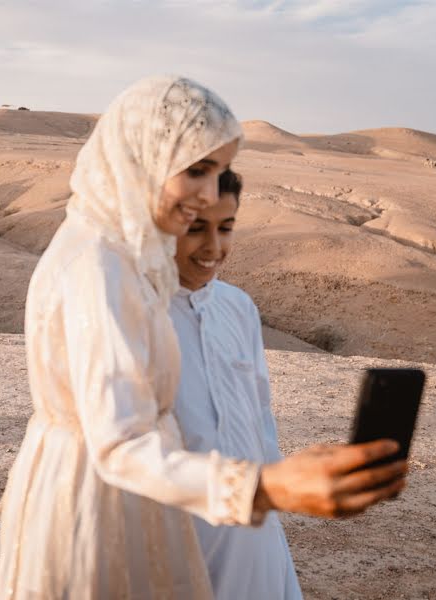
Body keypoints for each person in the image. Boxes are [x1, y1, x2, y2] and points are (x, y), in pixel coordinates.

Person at [0, 76, 407, 599]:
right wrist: (268, 487)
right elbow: (120, 444)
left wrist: (277, 479)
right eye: (196, 171)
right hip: (102, 505)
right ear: (142, 159)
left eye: (217, 177)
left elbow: (251, 415)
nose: (208, 196)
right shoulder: (99, 264)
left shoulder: (130, 259)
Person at [171, 169, 300, 598]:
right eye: (196, 229)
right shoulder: (137, 314)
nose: (213, 247)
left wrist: (273, 489)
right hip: (181, 525)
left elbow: (259, 411)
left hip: (253, 524)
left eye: (226, 228)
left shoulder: (238, 306)